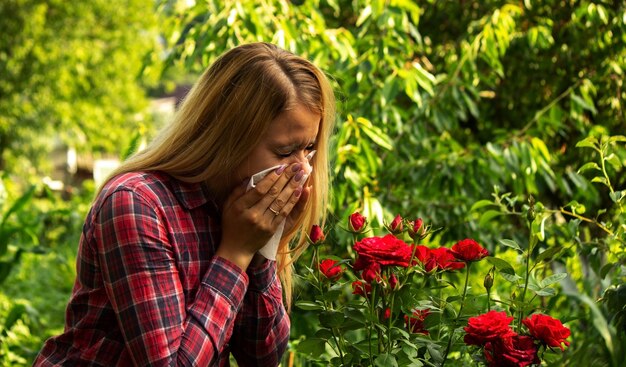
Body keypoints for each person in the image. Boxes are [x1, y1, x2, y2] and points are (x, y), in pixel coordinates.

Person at [34, 42, 336, 366]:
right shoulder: (138, 205)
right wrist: (235, 254)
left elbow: (262, 357)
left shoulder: (240, 210)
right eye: (284, 151)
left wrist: (263, 245)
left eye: (308, 149)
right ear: (228, 138)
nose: (303, 169)